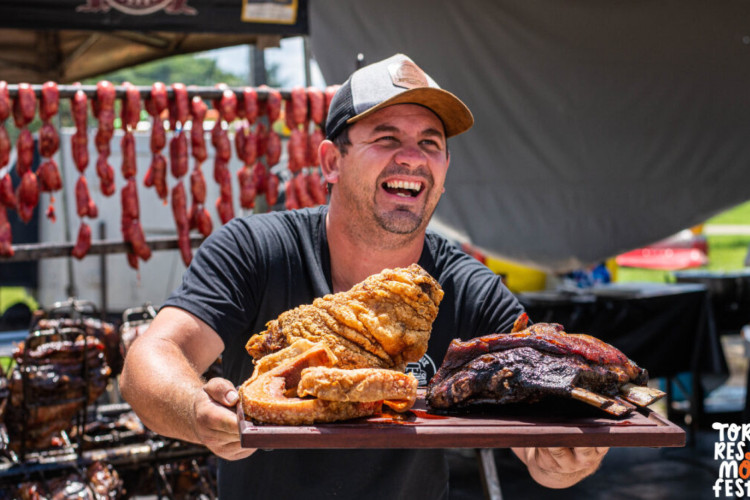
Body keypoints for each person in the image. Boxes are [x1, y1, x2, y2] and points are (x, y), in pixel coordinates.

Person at [120, 53, 607, 498]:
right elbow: (152, 357)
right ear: (332, 161)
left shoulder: (465, 286)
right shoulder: (255, 250)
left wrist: (560, 457)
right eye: (387, 138)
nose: (412, 157)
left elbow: (540, 434)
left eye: (429, 143)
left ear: (444, 169)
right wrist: (196, 412)